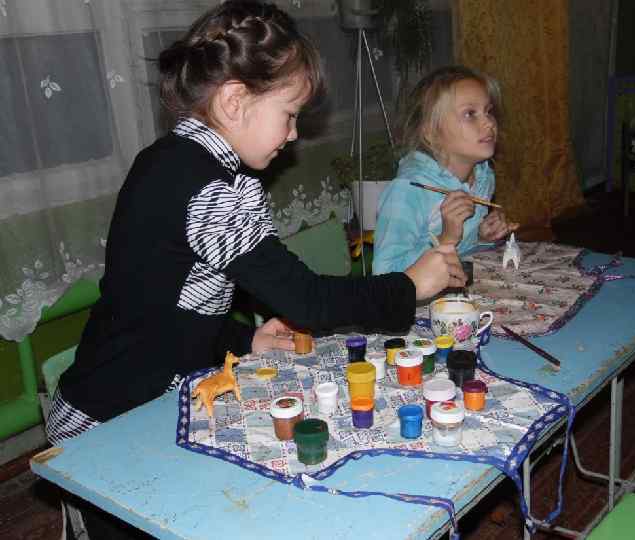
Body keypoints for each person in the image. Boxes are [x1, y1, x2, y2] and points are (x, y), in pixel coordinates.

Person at [45, 2, 464, 537]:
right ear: (234, 101)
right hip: (111, 425)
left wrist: (247, 342)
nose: (293, 135)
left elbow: (172, 305)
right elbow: (308, 301)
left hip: (140, 399)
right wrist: (407, 285)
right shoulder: (211, 189)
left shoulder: (172, 161)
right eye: (288, 115)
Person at [372, 65, 518, 275]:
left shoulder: (483, 176)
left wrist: (481, 237)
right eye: (470, 114)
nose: (489, 123)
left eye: (488, 111)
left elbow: (463, 252)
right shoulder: (408, 191)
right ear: (431, 133)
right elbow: (385, 273)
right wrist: (445, 240)